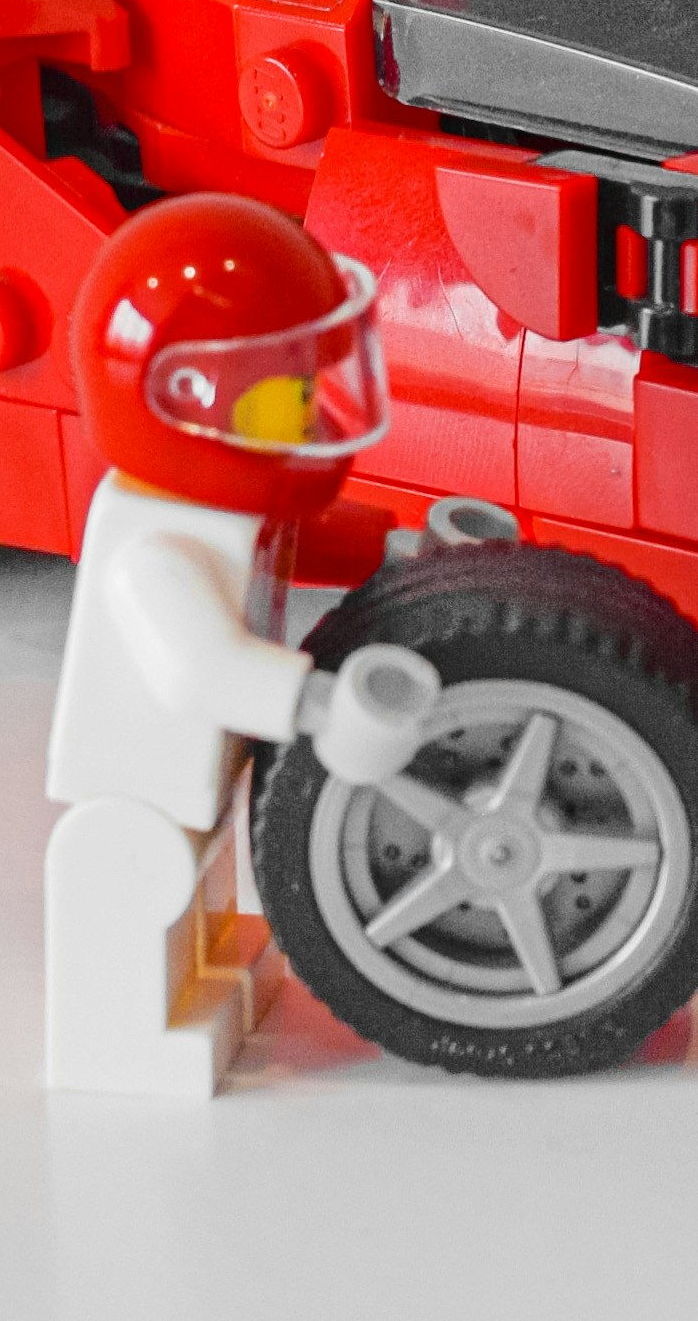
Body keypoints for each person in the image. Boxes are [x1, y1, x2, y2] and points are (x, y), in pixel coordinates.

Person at [45, 193, 435, 1098]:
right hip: (137, 792)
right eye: (284, 401)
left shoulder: (225, 508)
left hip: (205, 776)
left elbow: (308, 541)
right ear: (185, 396)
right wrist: (320, 706)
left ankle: (212, 976)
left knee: (208, 888)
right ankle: (127, 1044)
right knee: (135, 888)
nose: (308, 421)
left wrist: (409, 550)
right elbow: (199, 667)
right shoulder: (153, 548)